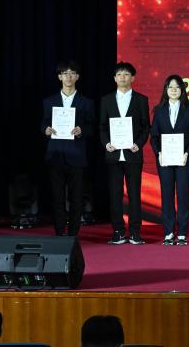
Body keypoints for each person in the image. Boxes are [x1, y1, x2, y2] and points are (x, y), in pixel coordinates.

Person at [40, 60, 95, 236]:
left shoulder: (86, 102)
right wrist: (45, 129)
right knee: (57, 198)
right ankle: (59, 232)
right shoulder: (49, 101)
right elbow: (43, 123)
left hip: (76, 155)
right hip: (55, 155)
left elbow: (92, 127)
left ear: (77, 77)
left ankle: (73, 234)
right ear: (59, 77)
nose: (68, 76)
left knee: (76, 198)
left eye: (72, 73)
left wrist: (82, 130)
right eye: (65, 73)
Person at [100, 62, 150, 245]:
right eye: (119, 74)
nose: (122, 77)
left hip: (133, 154)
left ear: (133, 78)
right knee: (115, 194)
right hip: (113, 155)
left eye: (126, 74)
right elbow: (102, 126)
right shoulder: (106, 100)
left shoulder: (141, 100)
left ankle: (135, 232)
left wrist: (139, 144)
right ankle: (118, 231)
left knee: (134, 194)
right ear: (114, 78)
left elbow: (146, 127)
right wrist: (107, 144)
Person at [150, 74, 189, 246]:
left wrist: (187, 153)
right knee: (167, 194)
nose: (173, 90)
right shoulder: (159, 110)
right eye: (170, 87)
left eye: (177, 87)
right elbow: (154, 136)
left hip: (184, 159)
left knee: (183, 194)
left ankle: (183, 233)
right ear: (165, 90)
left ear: (182, 90)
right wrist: (159, 153)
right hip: (165, 159)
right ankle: (169, 232)